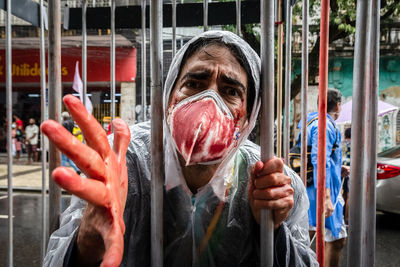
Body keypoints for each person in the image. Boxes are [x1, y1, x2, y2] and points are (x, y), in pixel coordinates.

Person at [42, 31, 317, 266]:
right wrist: (89, 240)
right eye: (194, 84)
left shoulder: (271, 185)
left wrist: (272, 230)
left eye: (231, 91)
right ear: (169, 97)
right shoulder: (124, 162)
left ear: (248, 117)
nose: (208, 101)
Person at [297, 88, 349, 267]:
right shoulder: (324, 125)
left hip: (311, 188)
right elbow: (319, 159)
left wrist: (337, 167)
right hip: (322, 192)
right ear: (338, 105)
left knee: (305, 238)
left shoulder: (311, 122)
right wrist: (326, 197)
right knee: (335, 240)